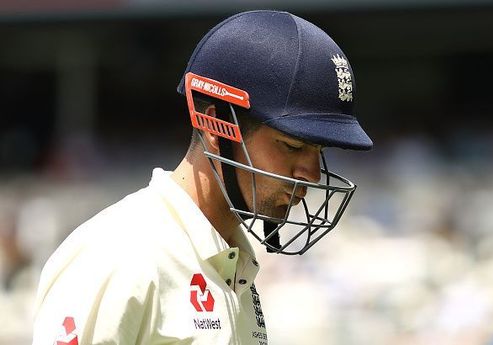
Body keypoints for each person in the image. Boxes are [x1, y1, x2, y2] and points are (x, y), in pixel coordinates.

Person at [32, 10, 372, 345]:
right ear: (216, 127)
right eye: (293, 146)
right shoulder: (120, 255)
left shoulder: (232, 263)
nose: (311, 175)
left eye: (319, 151)